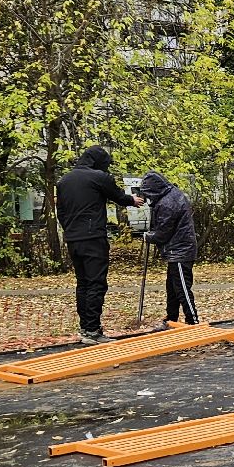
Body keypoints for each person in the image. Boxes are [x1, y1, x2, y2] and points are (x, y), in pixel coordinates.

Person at [56, 145, 142, 344]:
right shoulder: (99, 177)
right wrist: (133, 200)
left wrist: (70, 230)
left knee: (83, 283)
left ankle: (85, 328)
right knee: (96, 283)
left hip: (73, 239)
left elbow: (61, 212)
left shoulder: (64, 180)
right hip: (93, 238)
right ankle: (93, 330)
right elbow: (118, 196)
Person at [136, 172, 199, 325]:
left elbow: (162, 234)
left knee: (182, 288)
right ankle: (171, 318)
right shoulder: (172, 194)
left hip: (180, 251)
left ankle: (193, 320)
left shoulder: (166, 204)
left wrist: (148, 237)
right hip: (179, 249)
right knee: (172, 287)